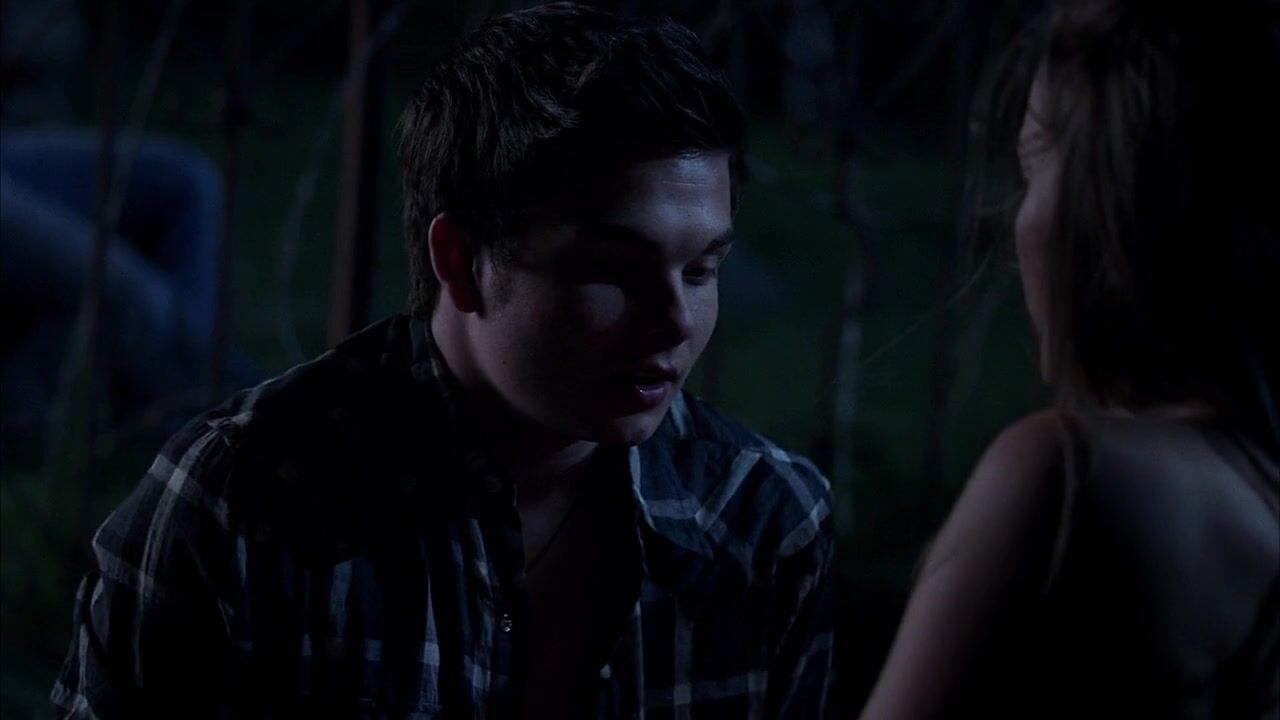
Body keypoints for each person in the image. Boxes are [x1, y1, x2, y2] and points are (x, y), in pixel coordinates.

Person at [50, 4, 835, 718]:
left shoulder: (761, 522)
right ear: (460, 259)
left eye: (700, 270)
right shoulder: (243, 503)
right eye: (613, 271)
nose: (675, 323)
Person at [860, 1, 1279, 717]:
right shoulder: (1254, 486)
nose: (1014, 222)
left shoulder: (1064, 476)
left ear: (1106, 207)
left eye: (1032, 169)